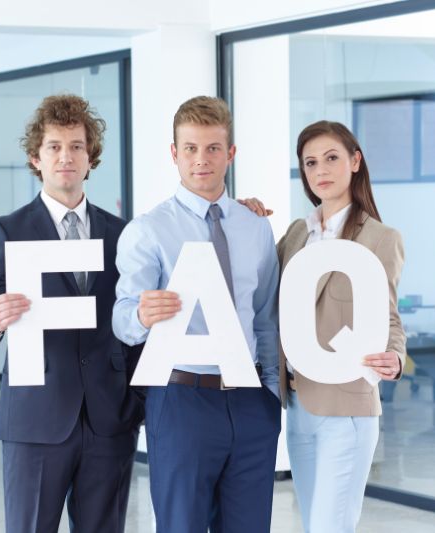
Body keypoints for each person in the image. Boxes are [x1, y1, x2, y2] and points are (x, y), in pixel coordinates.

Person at [0, 94, 144, 533]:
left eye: (77, 146)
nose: (66, 156)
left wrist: (136, 402)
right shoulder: (7, 231)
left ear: (90, 157)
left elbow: (134, 318)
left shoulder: (124, 233)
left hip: (109, 420)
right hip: (36, 420)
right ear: (35, 158)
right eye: (54, 146)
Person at [112, 96, 282, 533]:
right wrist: (142, 316)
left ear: (230, 153)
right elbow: (122, 318)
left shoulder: (255, 226)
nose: (201, 160)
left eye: (212, 148)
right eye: (190, 148)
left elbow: (265, 316)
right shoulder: (148, 230)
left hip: (249, 403)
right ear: (174, 153)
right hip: (182, 400)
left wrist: (269, 395)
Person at [245, 120, 406, 532]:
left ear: (355, 161)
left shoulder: (379, 238)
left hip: (347, 410)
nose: (321, 170)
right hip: (299, 405)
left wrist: (396, 358)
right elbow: (265, 289)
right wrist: (246, 220)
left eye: (332, 158)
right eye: (310, 163)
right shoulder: (298, 233)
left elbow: (388, 314)